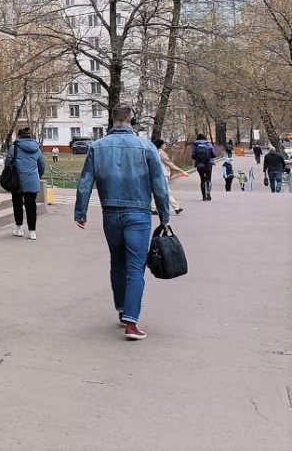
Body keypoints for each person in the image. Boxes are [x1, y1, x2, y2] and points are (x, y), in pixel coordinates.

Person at [75, 104, 170, 341]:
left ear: (112, 119)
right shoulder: (146, 147)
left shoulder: (97, 147)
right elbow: (159, 184)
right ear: (131, 119)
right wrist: (165, 214)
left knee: (117, 260)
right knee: (135, 267)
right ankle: (131, 322)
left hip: (110, 213)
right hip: (138, 213)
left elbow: (85, 182)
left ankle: (121, 309)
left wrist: (81, 212)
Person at [5, 127, 46, 240]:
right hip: (32, 181)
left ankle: (19, 228)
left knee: (17, 204)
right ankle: (32, 232)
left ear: (19, 136)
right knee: (31, 206)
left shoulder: (14, 148)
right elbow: (42, 165)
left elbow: (8, 162)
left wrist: (9, 175)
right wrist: (37, 177)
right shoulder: (37, 148)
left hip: (17, 181)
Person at [153, 138, 188, 215]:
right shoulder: (161, 153)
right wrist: (180, 171)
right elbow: (169, 163)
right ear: (161, 145)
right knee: (166, 191)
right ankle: (176, 207)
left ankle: (153, 208)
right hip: (161, 175)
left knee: (153, 192)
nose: (165, 145)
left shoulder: (153, 152)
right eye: (164, 144)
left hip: (155, 174)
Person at [191, 133, 217, 201]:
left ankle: (204, 196)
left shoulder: (196, 145)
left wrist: (198, 157)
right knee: (208, 179)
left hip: (200, 165)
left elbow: (193, 156)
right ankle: (208, 194)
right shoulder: (209, 144)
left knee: (202, 180)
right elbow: (214, 155)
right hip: (209, 164)